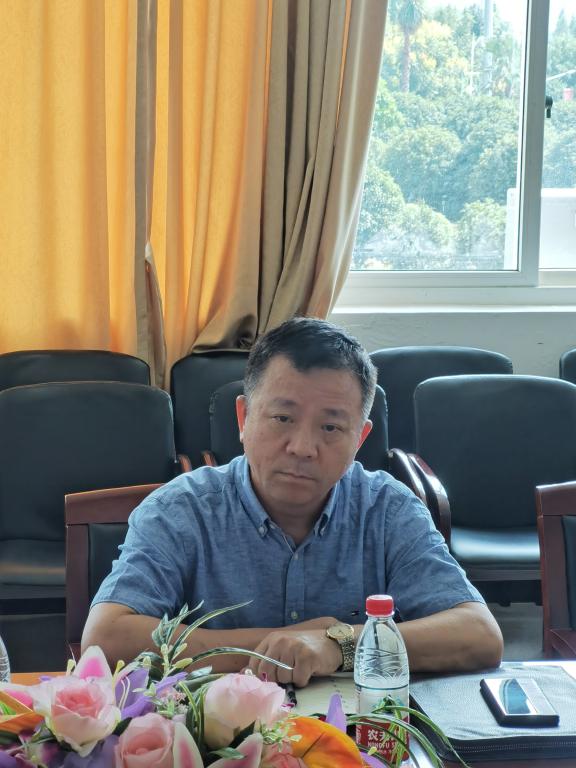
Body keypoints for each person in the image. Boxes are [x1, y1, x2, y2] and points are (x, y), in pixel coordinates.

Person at [83, 317, 503, 686]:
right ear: (244, 419)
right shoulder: (180, 510)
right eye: (282, 418)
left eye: (331, 428)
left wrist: (338, 644)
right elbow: (106, 638)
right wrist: (286, 645)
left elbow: (479, 634)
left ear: (359, 439)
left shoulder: (388, 509)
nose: (303, 447)